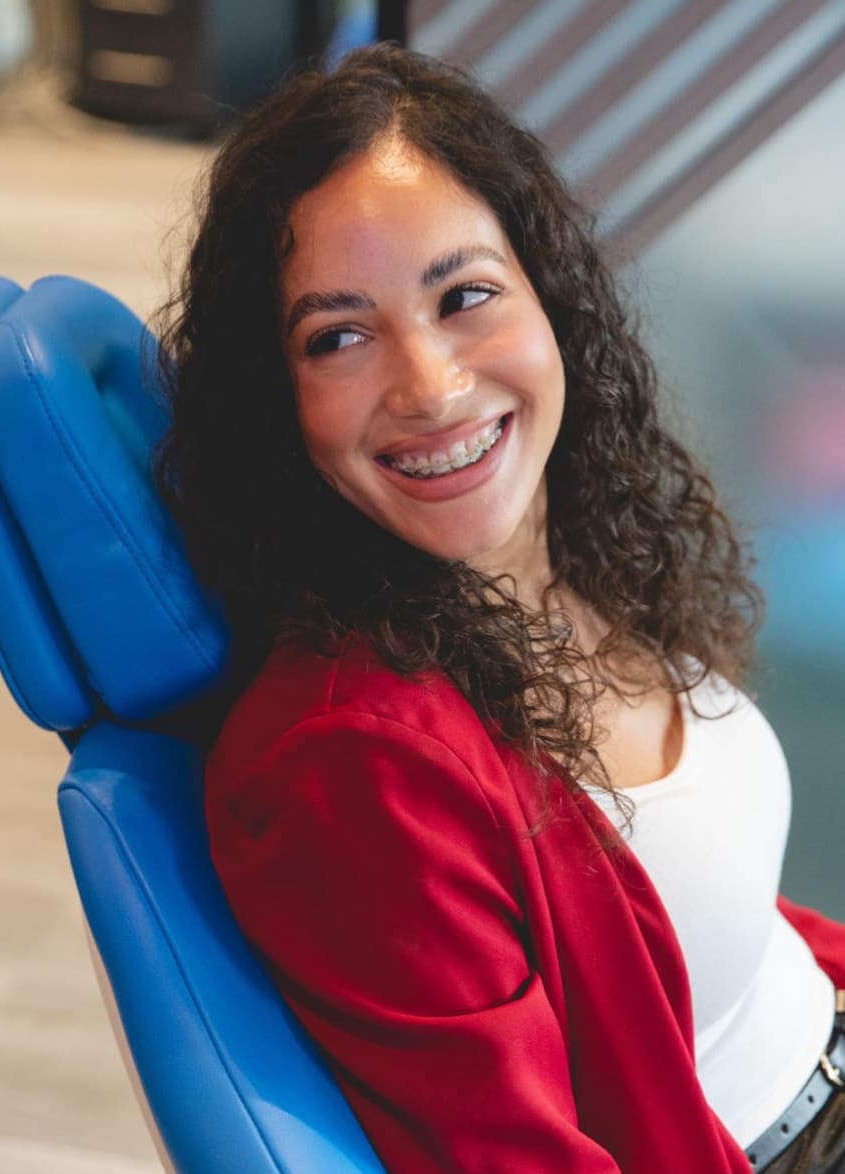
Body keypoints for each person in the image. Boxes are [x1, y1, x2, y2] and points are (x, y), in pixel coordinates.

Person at [157, 44, 845, 1174]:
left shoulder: (568, 544)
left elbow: (738, 935)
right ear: (275, 400)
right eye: (338, 335)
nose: (430, 385)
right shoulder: (350, 763)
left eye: (464, 294)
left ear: (548, 296)